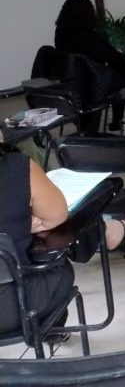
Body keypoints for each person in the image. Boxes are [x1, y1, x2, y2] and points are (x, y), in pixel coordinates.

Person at [0, 143, 74, 338]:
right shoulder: (16, 166)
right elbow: (56, 216)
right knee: (59, 264)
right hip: (14, 310)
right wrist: (24, 220)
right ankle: (51, 331)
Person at [54, 0, 125, 133]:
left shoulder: (60, 35)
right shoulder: (89, 37)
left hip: (71, 85)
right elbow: (114, 57)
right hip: (94, 86)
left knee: (120, 70)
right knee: (123, 75)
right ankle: (118, 120)